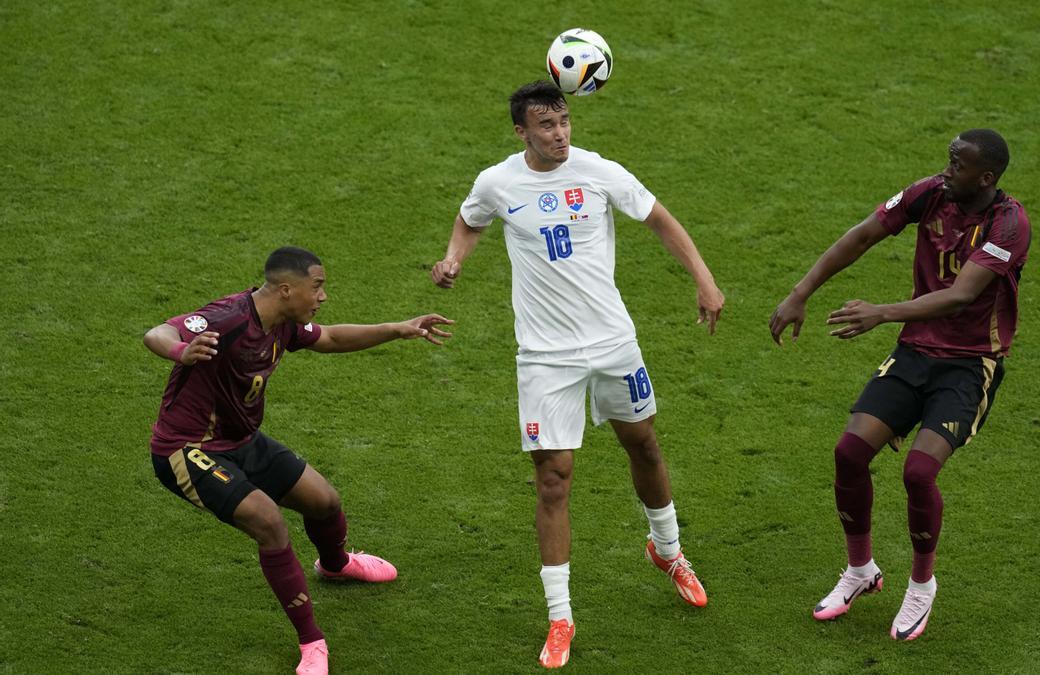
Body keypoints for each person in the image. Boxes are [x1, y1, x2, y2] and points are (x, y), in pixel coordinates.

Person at [431, 81, 725, 668]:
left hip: (614, 344)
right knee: (554, 478)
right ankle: (560, 616)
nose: (559, 133)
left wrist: (704, 278)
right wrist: (454, 259)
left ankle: (667, 551)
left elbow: (661, 220)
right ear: (521, 132)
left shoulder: (599, 172)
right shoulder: (498, 183)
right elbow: (469, 220)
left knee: (643, 445)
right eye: (545, 124)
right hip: (544, 358)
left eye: (563, 120)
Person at [769, 129, 1030, 641]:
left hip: (970, 365)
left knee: (918, 471)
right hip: (914, 355)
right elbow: (863, 234)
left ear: (987, 177)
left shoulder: (1008, 224)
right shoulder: (930, 192)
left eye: (959, 164)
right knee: (848, 453)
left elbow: (960, 296)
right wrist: (801, 292)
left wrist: (881, 313)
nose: (946, 169)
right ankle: (861, 571)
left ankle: (921, 585)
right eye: (949, 159)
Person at [144, 246, 453, 675]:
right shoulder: (228, 319)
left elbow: (329, 337)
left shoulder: (284, 322)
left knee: (324, 500)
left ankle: (336, 565)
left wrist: (397, 329)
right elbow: (157, 332)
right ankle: (311, 641)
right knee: (268, 522)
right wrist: (182, 351)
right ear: (286, 289)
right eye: (318, 286)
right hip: (186, 449)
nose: (322, 296)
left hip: (241, 440)